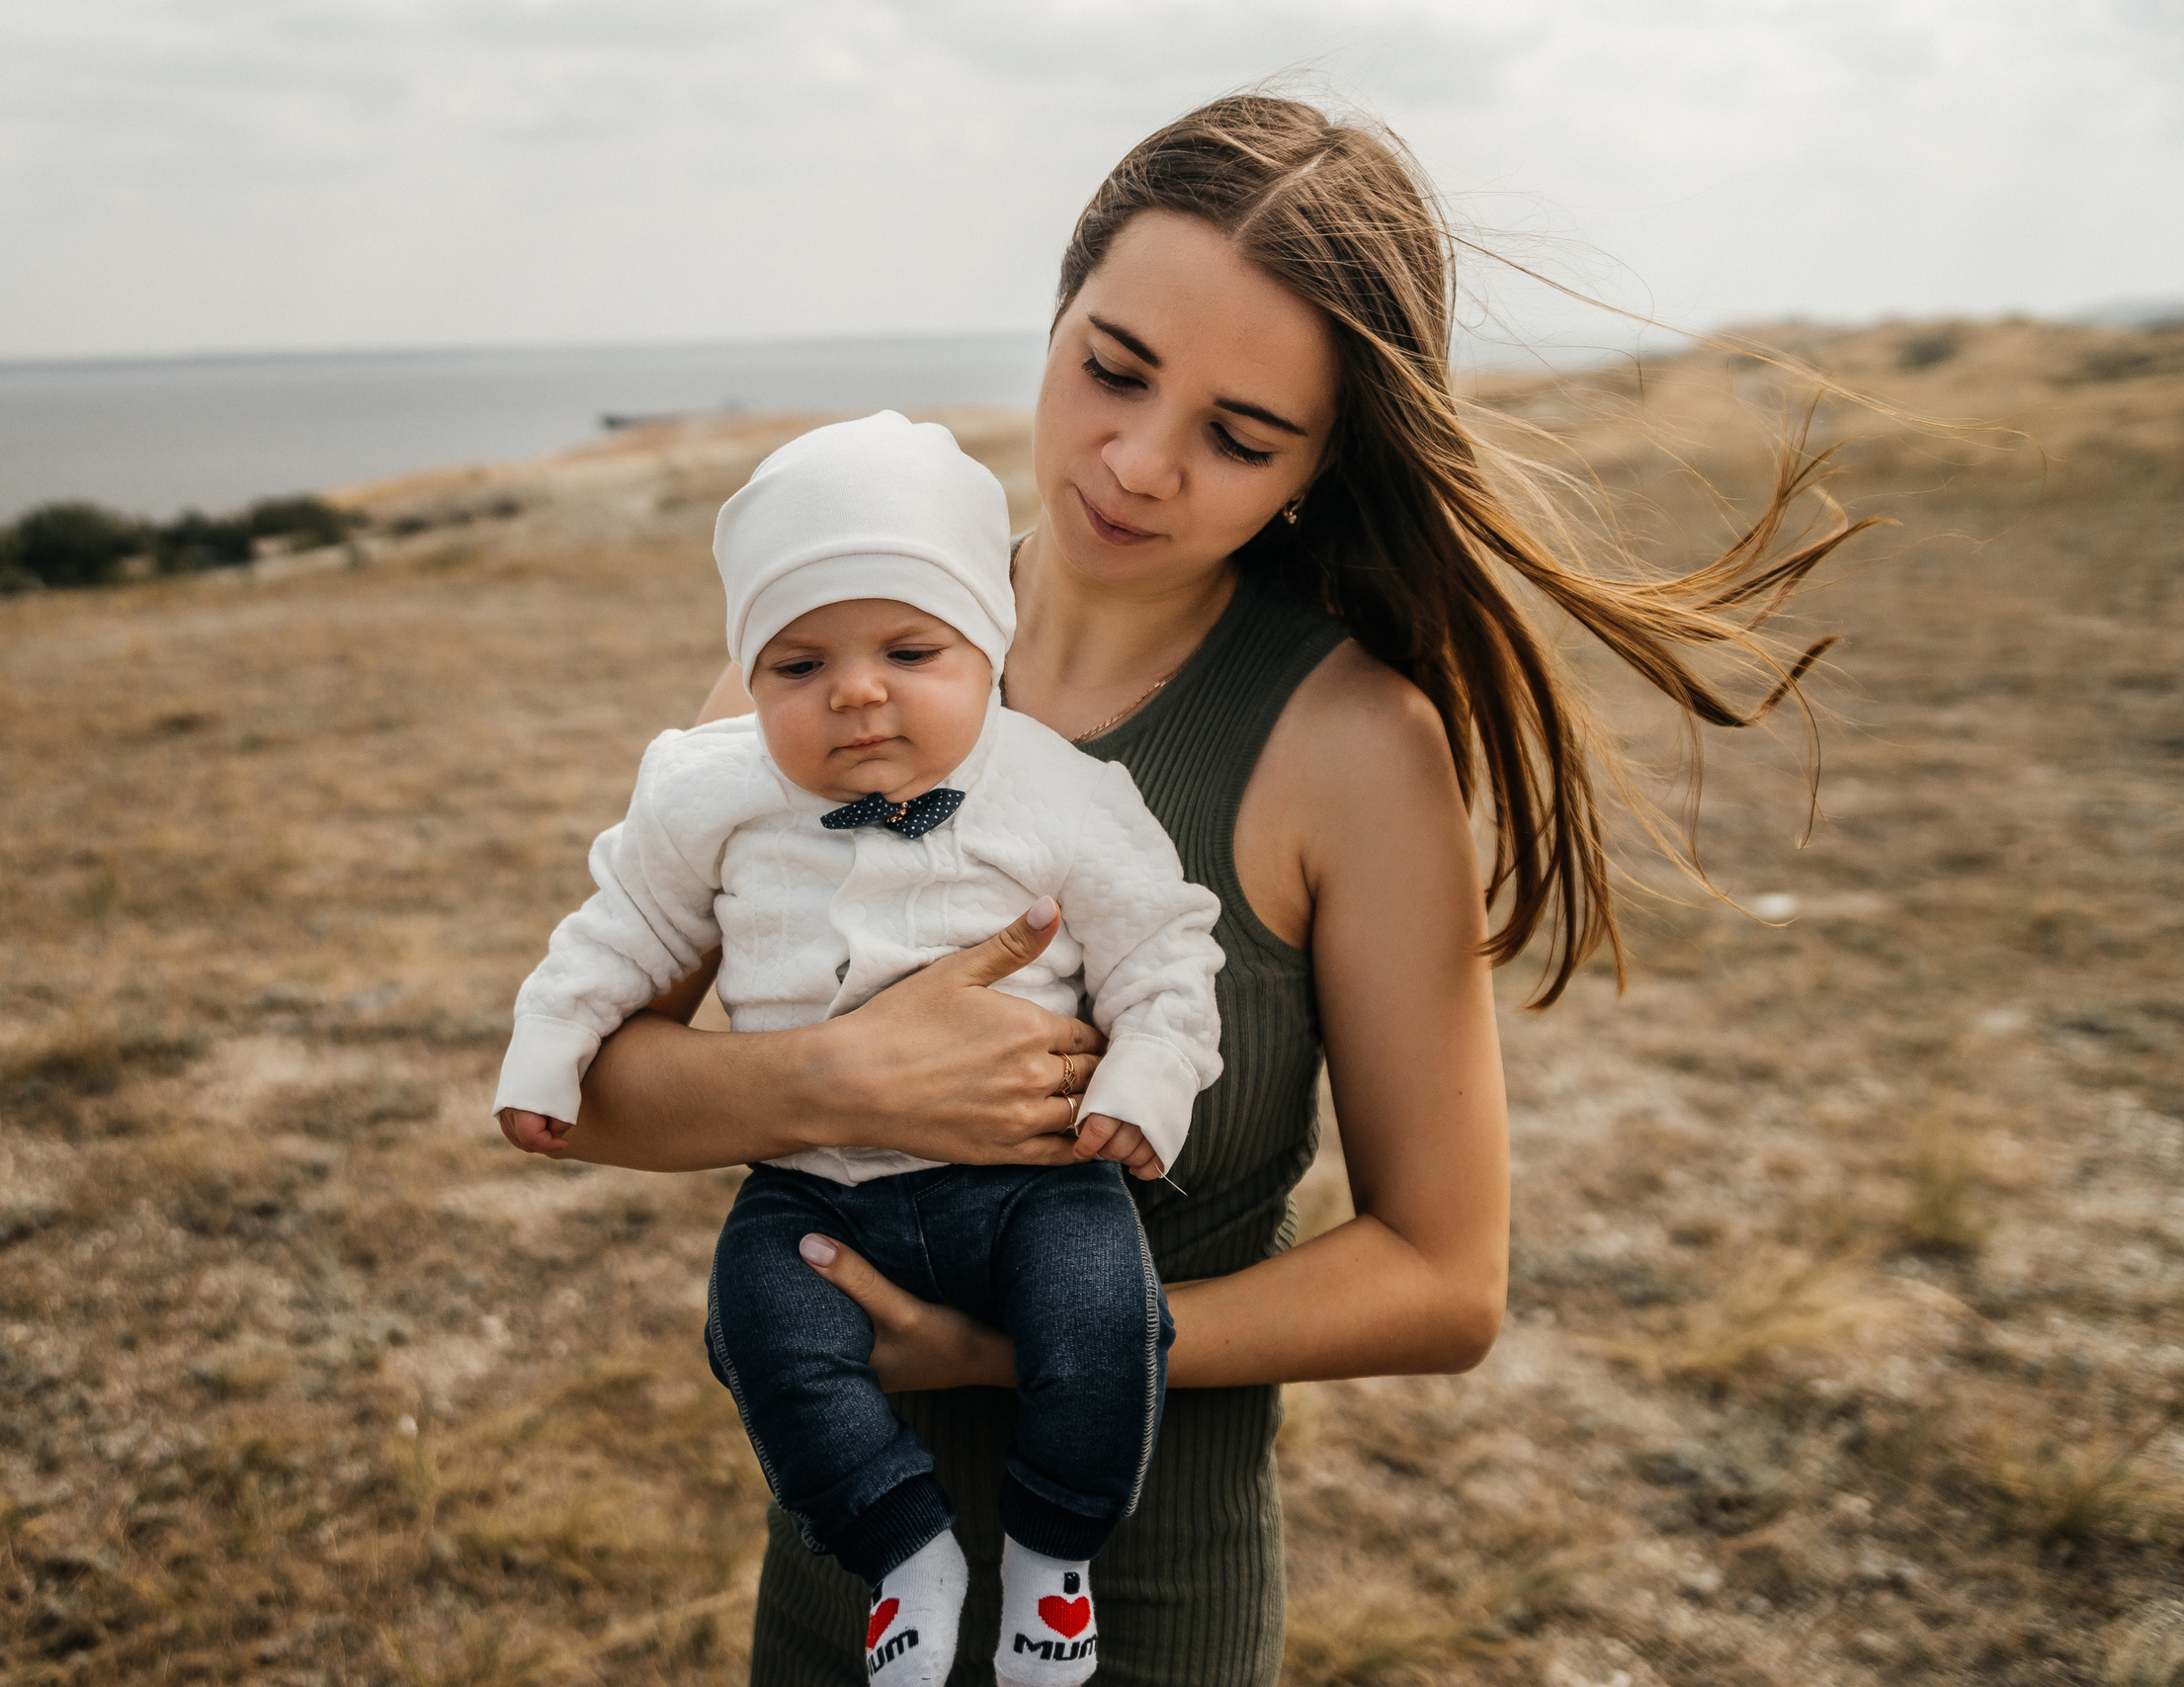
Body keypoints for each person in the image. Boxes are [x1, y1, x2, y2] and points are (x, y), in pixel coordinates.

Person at [501, 94, 1871, 1684]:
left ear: (1319, 464)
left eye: (1238, 436)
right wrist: (829, 1079)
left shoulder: (1354, 748)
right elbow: (579, 1096)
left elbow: (1444, 1280)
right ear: (1060, 314)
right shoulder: (831, 660)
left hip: (1144, 1616)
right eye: (1114, 368)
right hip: (837, 1610)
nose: (1139, 465)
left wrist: (1016, 1356)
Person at [494, 410, 1225, 1686]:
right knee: (761, 1325)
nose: (857, 690)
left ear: (986, 648)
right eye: (796, 665)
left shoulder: (1062, 793)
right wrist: (547, 1052)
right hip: (813, 1184)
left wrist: (1146, 1082)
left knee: (1107, 1318)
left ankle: (1054, 1562)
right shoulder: (704, 794)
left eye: (908, 647)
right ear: (752, 675)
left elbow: (1164, 952)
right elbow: (617, 932)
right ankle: (904, 1549)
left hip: (1034, 1179)